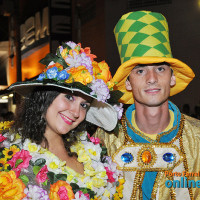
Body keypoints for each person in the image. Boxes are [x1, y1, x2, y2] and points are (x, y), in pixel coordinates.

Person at [95, 11, 200, 199]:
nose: (152, 79)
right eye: (141, 71)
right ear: (128, 83)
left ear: (172, 78)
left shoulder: (198, 139)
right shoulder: (103, 141)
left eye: (160, 68)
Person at [0, 41, 125, 199]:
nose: (76, 112)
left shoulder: (94, 155)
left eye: (84, 105)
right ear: (46, 95)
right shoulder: (8, 148)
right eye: (69, 97)